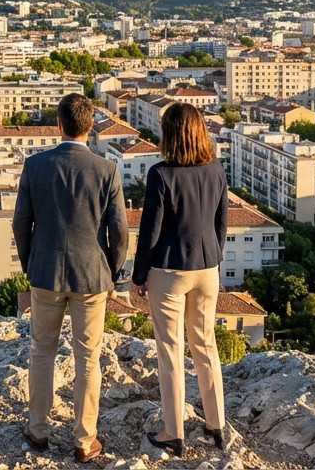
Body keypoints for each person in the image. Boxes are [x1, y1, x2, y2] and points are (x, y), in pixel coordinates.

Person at [12, 92, 130, 463]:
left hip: (45, 272)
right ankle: (84, 439)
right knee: (88, 359)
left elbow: (20, 223)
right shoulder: (107, 170)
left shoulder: (34, 166)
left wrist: (31, 263)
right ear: (91, 126)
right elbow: (120, 232)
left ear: (58, 124)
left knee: (41, 351)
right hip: (92, 277)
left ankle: (38, 429)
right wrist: (110, 270)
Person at [132, 102, 228, 457]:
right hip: (207, 269)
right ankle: (216, 422)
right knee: (205, 345)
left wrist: (139, 275)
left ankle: (174, 431)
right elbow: (221, 223)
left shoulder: (160, 174)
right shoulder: (215, 168)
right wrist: (212, 257)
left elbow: (150, 232)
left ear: (169, 134)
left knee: (170, 350)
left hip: (169, 270)